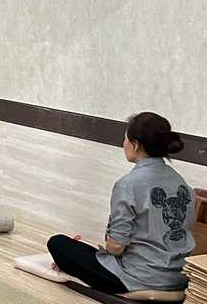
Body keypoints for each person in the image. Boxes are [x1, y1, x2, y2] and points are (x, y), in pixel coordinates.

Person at [48, 112, 196, 294]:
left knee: (58, 243)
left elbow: (116, 248)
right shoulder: (183, 185)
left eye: (125, 138)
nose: (123, 143)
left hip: (138, 278)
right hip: (179, 278)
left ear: (135, 144)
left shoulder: (128, 184)